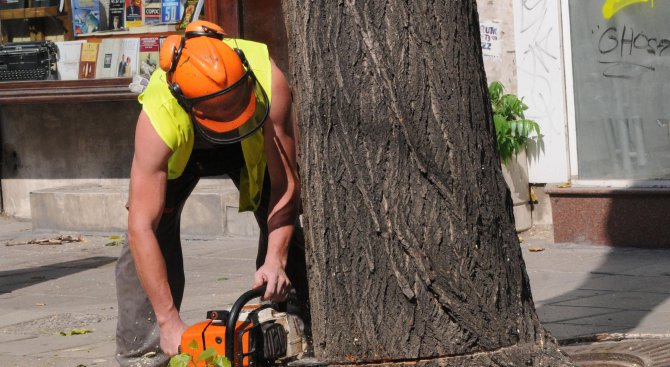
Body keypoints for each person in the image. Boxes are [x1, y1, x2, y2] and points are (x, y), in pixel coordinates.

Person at [115, 20, 310, 367]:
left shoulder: (268, 78)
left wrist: (275, 260)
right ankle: (143, 350)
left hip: (255, 138)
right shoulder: (159, 114)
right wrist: (168, 319)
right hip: (184, 147)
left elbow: (286, 185)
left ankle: (292, 324)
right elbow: (139, 225)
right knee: (147, 239)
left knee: (289, 230)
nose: (231, 121)